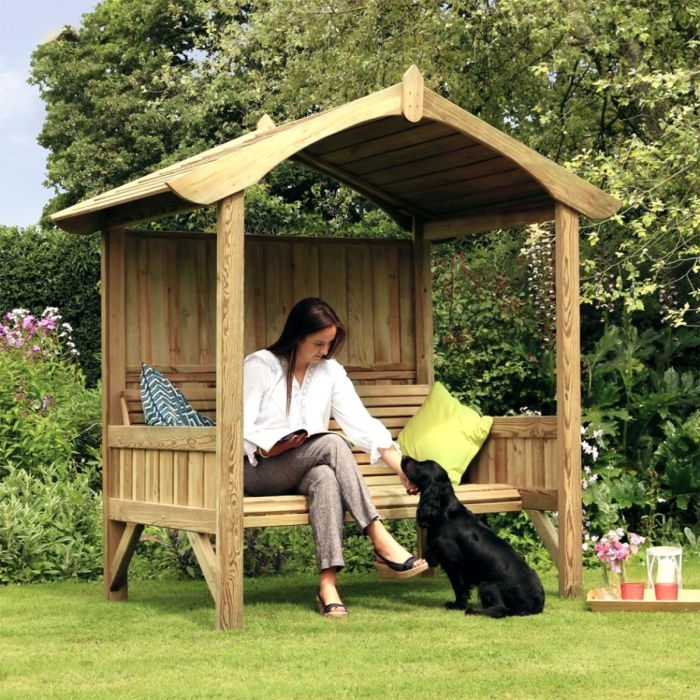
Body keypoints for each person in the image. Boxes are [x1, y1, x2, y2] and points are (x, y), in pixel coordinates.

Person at [244, 297, 427, 618]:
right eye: (318, 343)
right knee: (332, 443)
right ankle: (379, 539)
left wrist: (402, 469)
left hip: (304, 470)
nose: (325, 351)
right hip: (258, 470)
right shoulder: (261, 366)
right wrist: (268, 446)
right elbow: (240, 426)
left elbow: (362, 424)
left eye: (329, 344)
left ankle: (327, 586)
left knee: (326, 477)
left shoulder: (330, 371)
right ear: (297, 335)